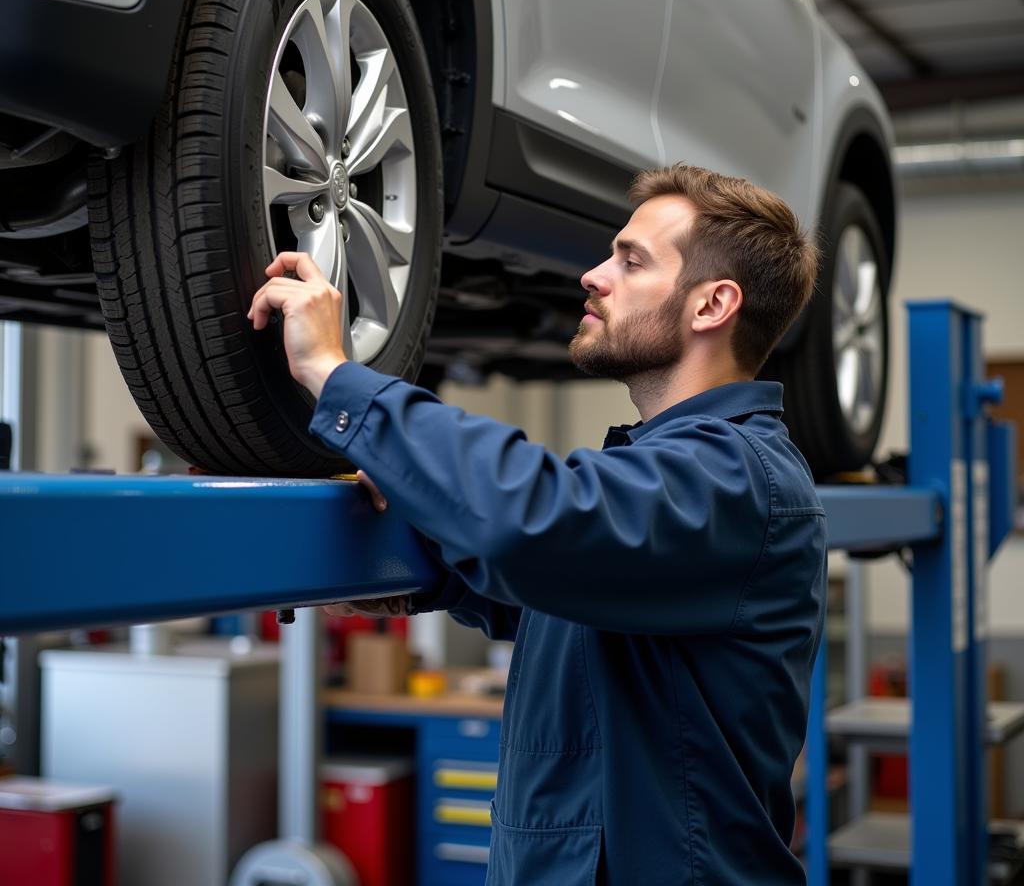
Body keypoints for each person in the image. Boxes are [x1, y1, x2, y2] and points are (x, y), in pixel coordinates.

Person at [248, 163, 826, 885]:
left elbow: (537, 522)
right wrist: (417, 579)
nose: (593, 275)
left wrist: (337, 376)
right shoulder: (670, 474)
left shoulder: (739, 479)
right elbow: (568, 603)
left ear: (712, 305)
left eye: (631, 260)